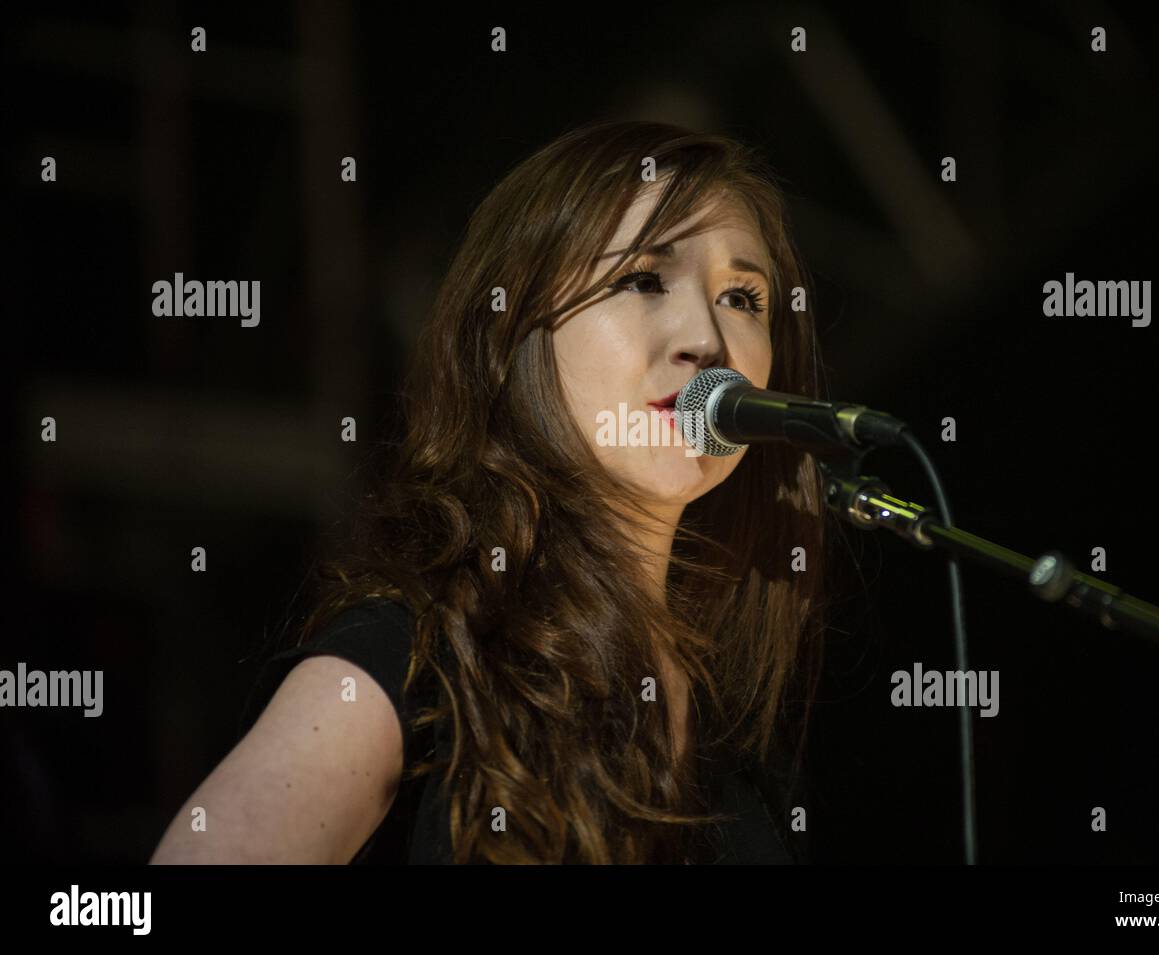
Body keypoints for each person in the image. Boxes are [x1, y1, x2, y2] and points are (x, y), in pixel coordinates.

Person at [151, 119, 831, 864]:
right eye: (641, 279)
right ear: (515, 338)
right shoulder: (426, 655)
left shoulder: (745, 756)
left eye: (743, 297)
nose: (706, 338)